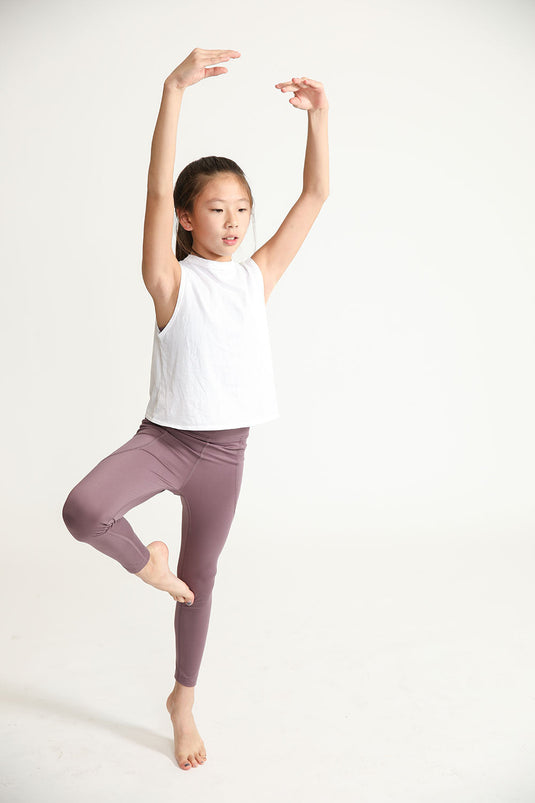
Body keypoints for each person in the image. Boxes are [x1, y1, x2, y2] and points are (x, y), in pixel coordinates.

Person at [61, 47, 329, 772]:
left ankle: (183, 698)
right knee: (85, 510)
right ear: (187, 217)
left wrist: (318, 118)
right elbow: (154, 193)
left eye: (242, 208)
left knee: (201, 578)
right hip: (165, 443)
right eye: (216, 208)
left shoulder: (255, 277)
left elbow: (314, 196)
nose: (233, 220)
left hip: (224, 455)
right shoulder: (169, 280)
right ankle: (147, 564)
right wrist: (171, 90)